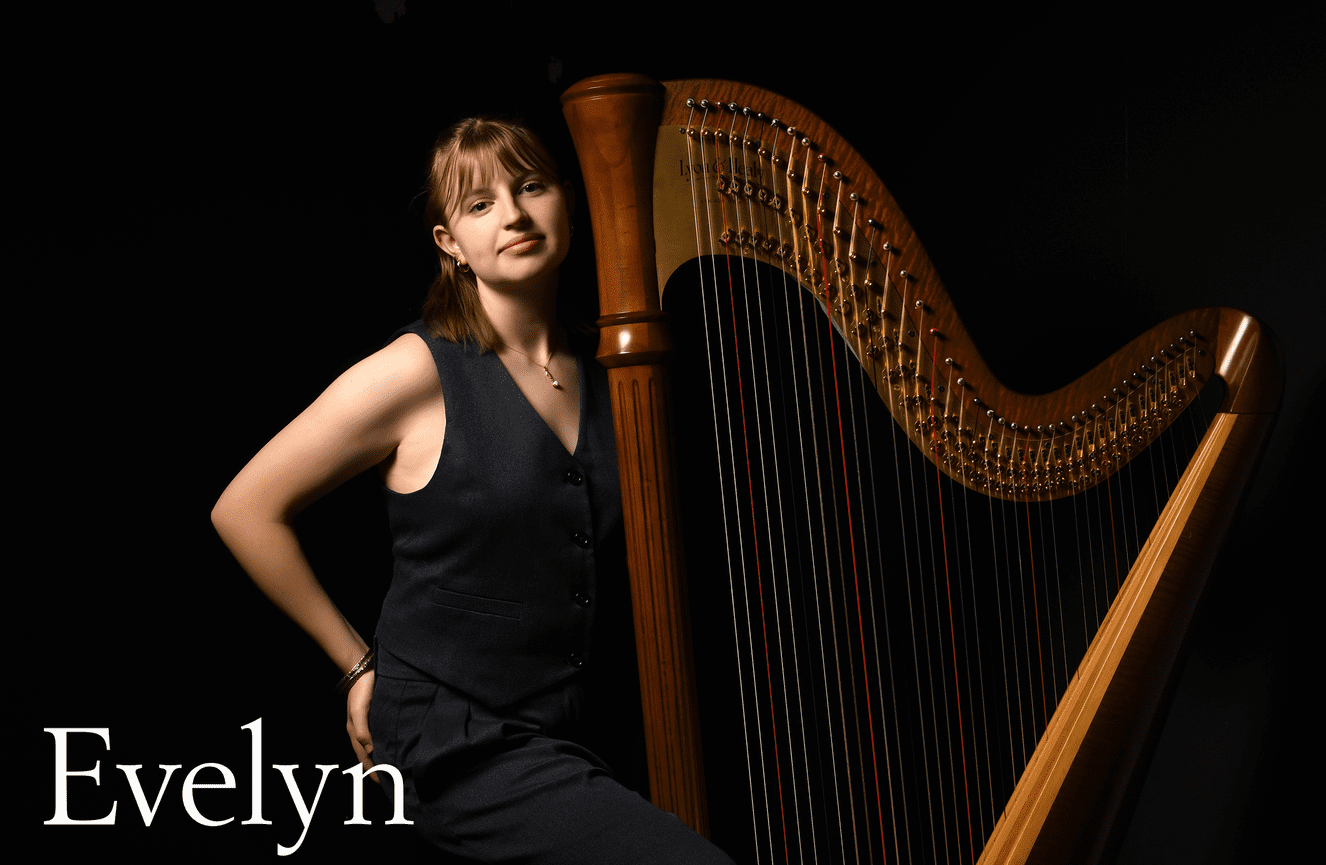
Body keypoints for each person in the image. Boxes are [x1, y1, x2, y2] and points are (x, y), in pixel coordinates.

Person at [212, 117, 734, 863]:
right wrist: (359, 664)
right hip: (457, 736)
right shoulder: (416, 371)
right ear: (449, 242)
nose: (514, 215)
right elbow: (245, 508)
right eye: (480, 204)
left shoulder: (612, 368)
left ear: (571, 205)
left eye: (531, 187)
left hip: (579, 729)